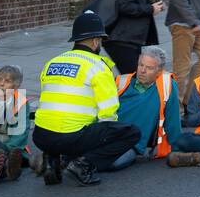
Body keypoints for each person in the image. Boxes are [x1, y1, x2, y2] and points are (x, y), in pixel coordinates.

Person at [32, 11, 141, 187]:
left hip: (41, 136)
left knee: (63, 127)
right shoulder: (98, 66)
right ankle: (83, 165)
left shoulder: (53, 62)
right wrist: (104, 137)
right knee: (131, 133)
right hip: (70, 137)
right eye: (101, 40)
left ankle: (53, 159)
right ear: (95, 40)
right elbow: (109, 111)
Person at [112, 47, 182, 169]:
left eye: (149, 68)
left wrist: (178, 148)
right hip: (109, 134)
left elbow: (173, 120)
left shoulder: (167, 85)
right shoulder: (121, 81)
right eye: (141, 65)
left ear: (159, 72)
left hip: (132, 144)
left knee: (114, 163)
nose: (142, 71)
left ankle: (83, 163)